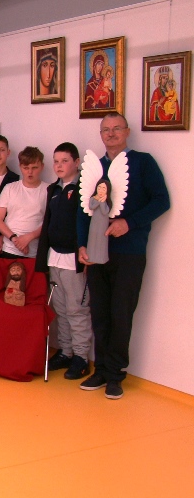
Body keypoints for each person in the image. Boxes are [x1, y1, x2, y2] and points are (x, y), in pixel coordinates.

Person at [77, 113, 170, 399]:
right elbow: (83, 211)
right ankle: (101, 370)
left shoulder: (143, 163)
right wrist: (82, 245)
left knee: (121, 313)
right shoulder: (94, 168)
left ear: (127, 131)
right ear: (100, 134)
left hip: (129, 253)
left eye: (117, 128)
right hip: (96, 254)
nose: (111, 133)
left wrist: (129, 223)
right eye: (105, 129)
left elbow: (162, 201)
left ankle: (115, 375)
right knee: (99, 313)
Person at [35, 142, 92, 380]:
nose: (59, 166)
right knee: (60, 309)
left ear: (76, 163)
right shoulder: (54, 189)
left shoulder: (84, 189)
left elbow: (88, 224)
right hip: (54, 257)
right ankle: (66, 352)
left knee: (76, 309)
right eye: (56, 161)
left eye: (65, 161)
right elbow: (48, 223)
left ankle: (81, 357)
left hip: (73, 259)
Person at [0, 146, 50, 258]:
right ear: (20, 167)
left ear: (42, 166)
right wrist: (15, 239)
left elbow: (50, 221)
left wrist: (29, 237)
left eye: (34, 167)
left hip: (35, 252)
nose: (30, 172)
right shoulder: (10, 188)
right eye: (26, 168)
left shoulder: (49, 190)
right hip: (9, 249)